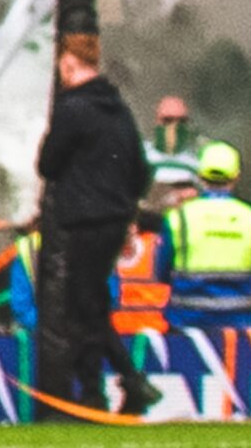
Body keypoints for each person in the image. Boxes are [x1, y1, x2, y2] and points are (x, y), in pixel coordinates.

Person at [32, 36, 154, 414]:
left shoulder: (72, 108)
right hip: (116, 217)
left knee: (81, 307)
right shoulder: (119, 108)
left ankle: (109, 386)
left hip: (85, 218)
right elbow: (141, 169)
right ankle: (114, 387)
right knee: (92, 304)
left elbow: (48, 164)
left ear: (69, 64)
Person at [158, 141, 251, 330]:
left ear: (200, 176)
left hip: (186, 324)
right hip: (238, 325)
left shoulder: (178, 218)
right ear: (236, 176)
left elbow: (161, 272)